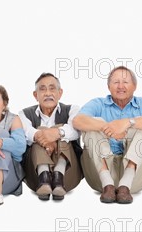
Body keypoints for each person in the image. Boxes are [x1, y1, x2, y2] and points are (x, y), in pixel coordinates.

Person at [73, 66, 142, 204]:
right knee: (93, 122)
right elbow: (77, 121)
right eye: (116, 82)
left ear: (134, 86)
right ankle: (107, 184)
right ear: (108, 86)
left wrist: (127, 123)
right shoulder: (98, 103)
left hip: (135, 177)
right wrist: (107, 128)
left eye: (125, 82)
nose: (120, 86)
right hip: (100, 175)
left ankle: (125, 185)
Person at [19, 73, 82, 201]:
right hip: (35, 176)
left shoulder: (73, 109)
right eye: (42, 89)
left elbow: (76, 130)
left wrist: (56, 134)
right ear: (35, 95)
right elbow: (26, 132)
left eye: (52, 88)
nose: (48, 93)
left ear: (60, 93)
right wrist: (43, 136)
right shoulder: (24, 114)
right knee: (40, 132)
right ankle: (44, 178)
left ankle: (59, 177)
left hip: (69, 173)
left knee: (61, 129)